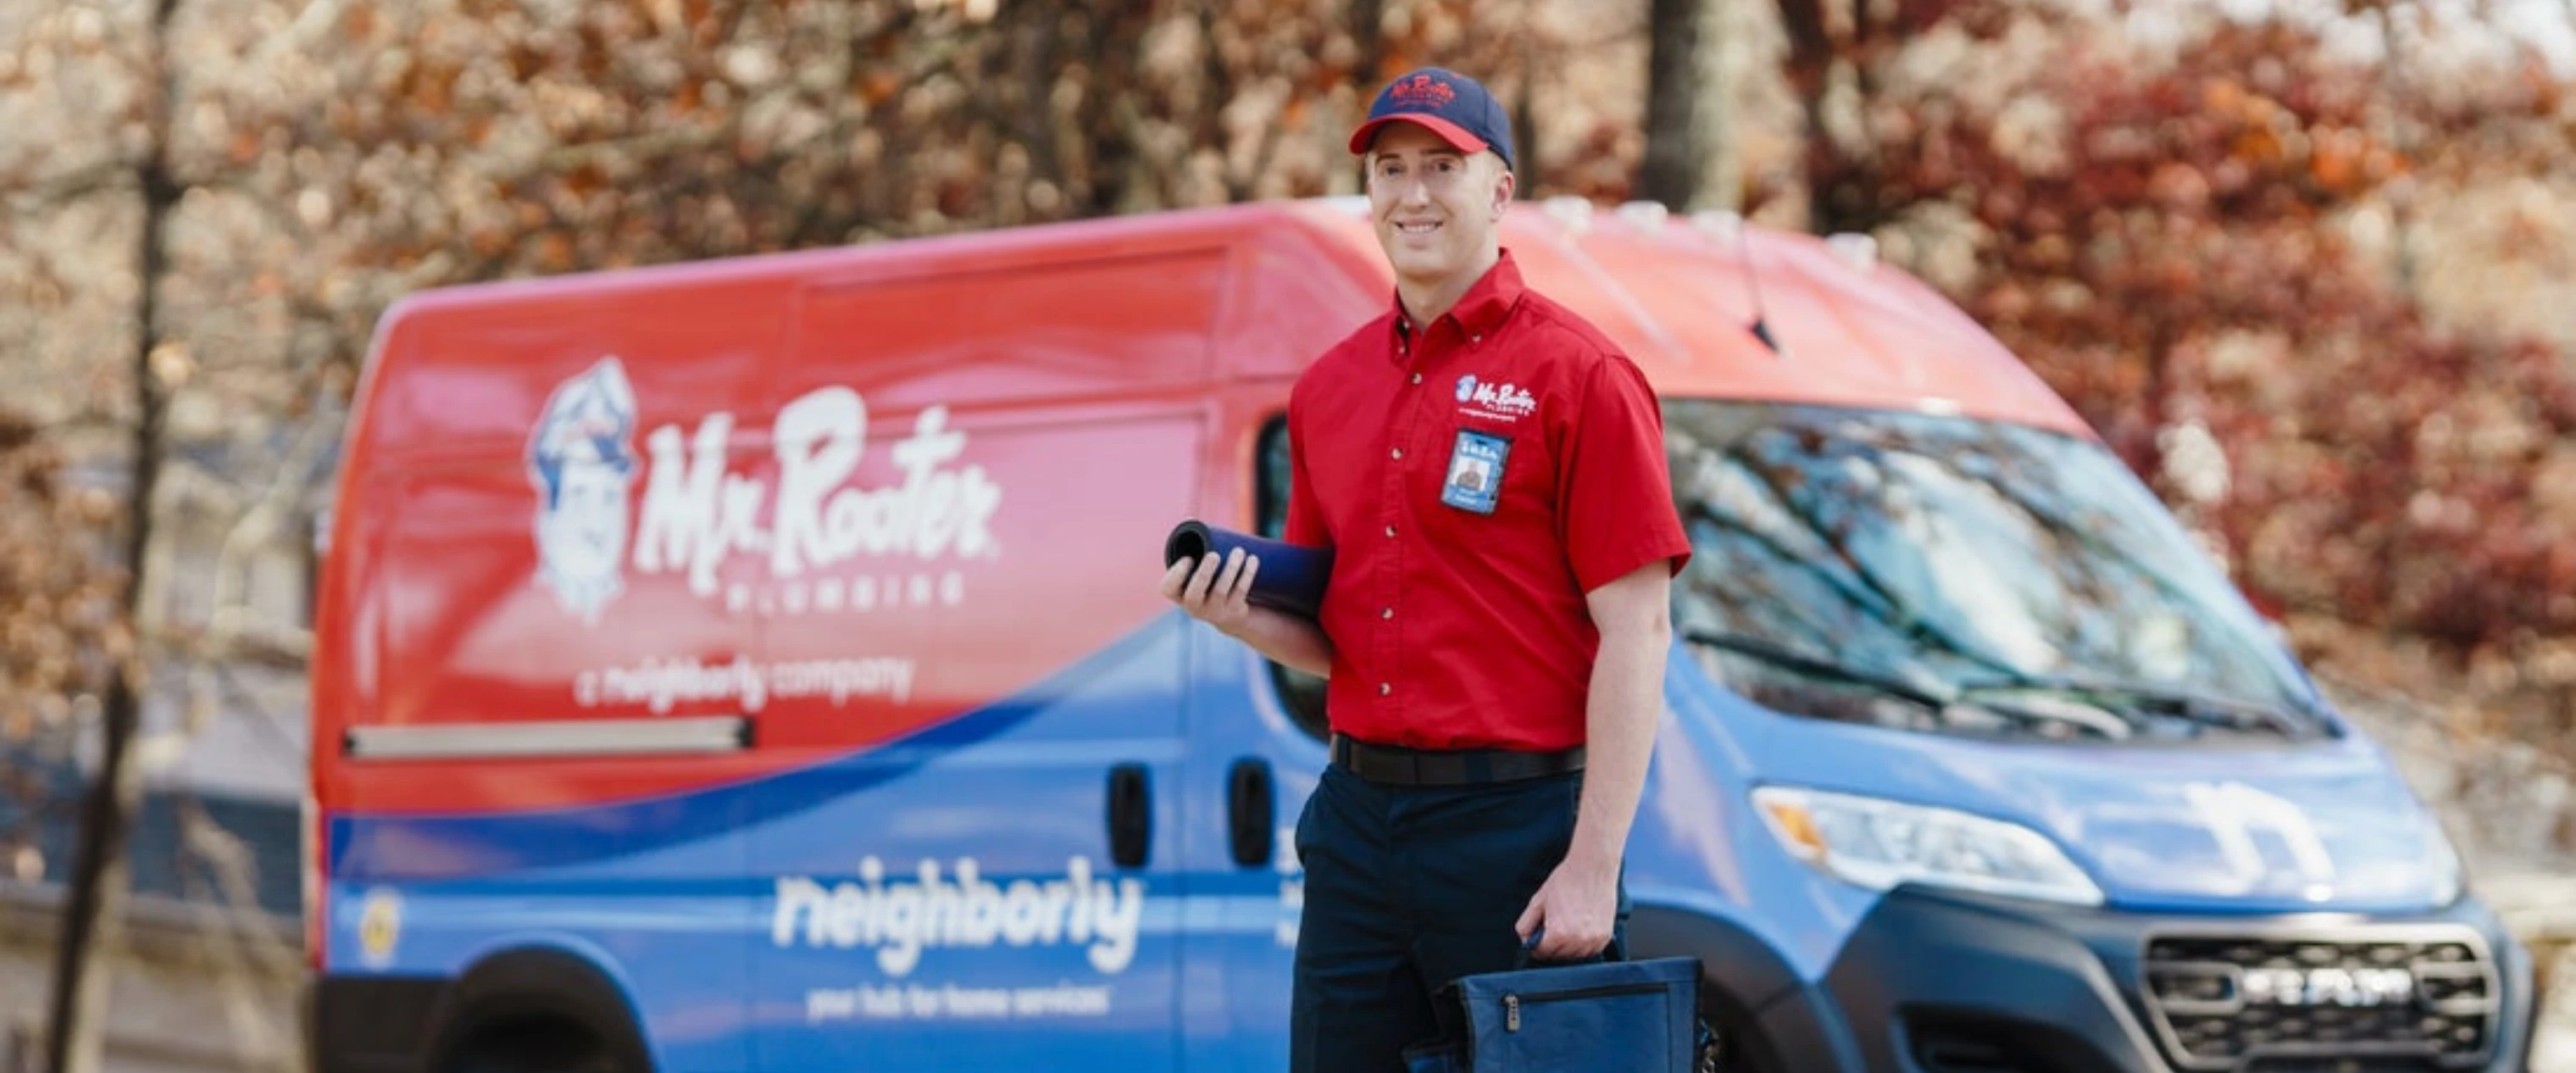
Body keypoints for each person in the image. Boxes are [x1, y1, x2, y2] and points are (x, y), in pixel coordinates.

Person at [1158, 67, 1690, 1073]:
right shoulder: (1327, 388)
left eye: (1441, 167)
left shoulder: (1582, 377)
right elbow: (1338, 637)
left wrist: (1592, 862)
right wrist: (1237, 618)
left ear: (1499, 190)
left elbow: (1639, 630)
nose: (1412, 194)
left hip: (1522, 832)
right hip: (1359, 828)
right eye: (1391, 169)